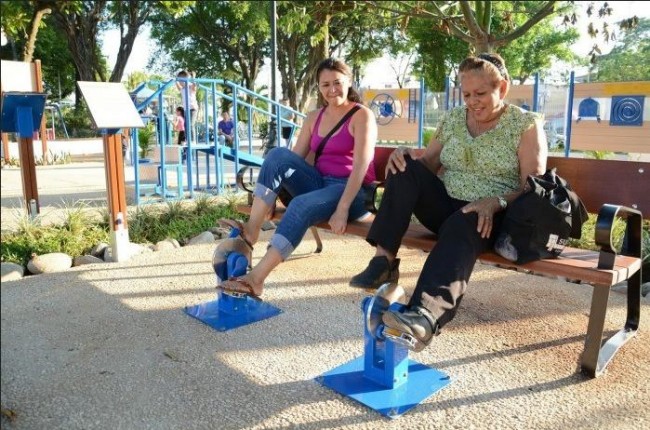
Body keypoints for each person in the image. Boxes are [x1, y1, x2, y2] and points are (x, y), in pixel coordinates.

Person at [349, 53, 547, 351]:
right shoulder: (454, 118)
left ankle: (425, 315)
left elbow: (533, 187)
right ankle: (383, 261)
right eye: (466, 94)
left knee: (464, 220)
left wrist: (494, 202)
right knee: (406, 170)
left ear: (502, 89)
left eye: (481, 93)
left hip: (492, 217)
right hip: (448, 208)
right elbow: (428, 163)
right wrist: (404, 156)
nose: (472, 101)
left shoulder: (524, 125)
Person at [217, 57, 377, 300]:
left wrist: (343, 208)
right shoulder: (314, 117)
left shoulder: (361, 116)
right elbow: (292, 161)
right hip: (319, 183)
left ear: (349, 82)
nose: (332, 90)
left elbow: (361, 166)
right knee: (277, 155)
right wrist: (272, 196)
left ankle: (256, 280)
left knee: (300, 205)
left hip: (351, 193)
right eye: (325, 85)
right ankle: (251, 231)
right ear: (319, 88)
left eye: (337, 83)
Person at [175, 70, 198, 138]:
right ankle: (188, 140)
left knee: (191, 125)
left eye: (181, 81)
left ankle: (193, 141)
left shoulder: (190, 86)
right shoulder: (182, 89)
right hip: (186, 109)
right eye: (179, 81)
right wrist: (176, 79)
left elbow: (194, 87)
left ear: (186, 79)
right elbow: (178, 86)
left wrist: (193, 77)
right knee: (185, 125)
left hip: (193, 108)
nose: (180, 83)